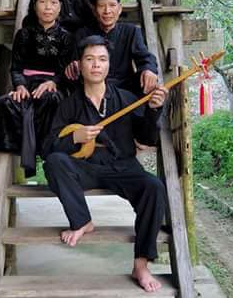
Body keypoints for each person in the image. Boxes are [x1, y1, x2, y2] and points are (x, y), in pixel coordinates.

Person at [42, 35, 169, 293]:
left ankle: (141, 265)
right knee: (55, 162)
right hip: (87, 167)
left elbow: (147, 138)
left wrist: (154, 110)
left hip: (122, 165)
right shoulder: (69, 104)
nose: (96, 65)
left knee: (154, 187)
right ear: (80, 65)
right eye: (89, 59)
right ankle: (82, 221)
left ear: (109, 65)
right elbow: (48, 148)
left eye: (102, 59)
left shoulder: (126, 98)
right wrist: (74, 138)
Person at [0, 0, 74, 177]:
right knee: (5, 103)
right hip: (27, 85)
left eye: (53, 2)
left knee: (50, 100)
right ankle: (18, 148)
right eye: (42, 1)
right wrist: (20, 86)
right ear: (34, 4)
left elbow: (64, 71)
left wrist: (52, 83)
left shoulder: (66, 37)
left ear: (60, 6)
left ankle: (45, 148)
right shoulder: (23, 34)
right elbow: (16, 67)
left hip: (53, 86)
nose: (48, 7)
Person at [65, 0, 159, 96]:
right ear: (94, 11)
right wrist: (74, 66)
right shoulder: (82, 34)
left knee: (149, 82)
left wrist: (148, 69)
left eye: (112, 5)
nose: (107, 11)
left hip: (124, 88)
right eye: (101, 6)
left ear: (119, 9)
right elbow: (74, 63)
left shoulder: (131, 31)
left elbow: (144, 56)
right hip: (92, 89)